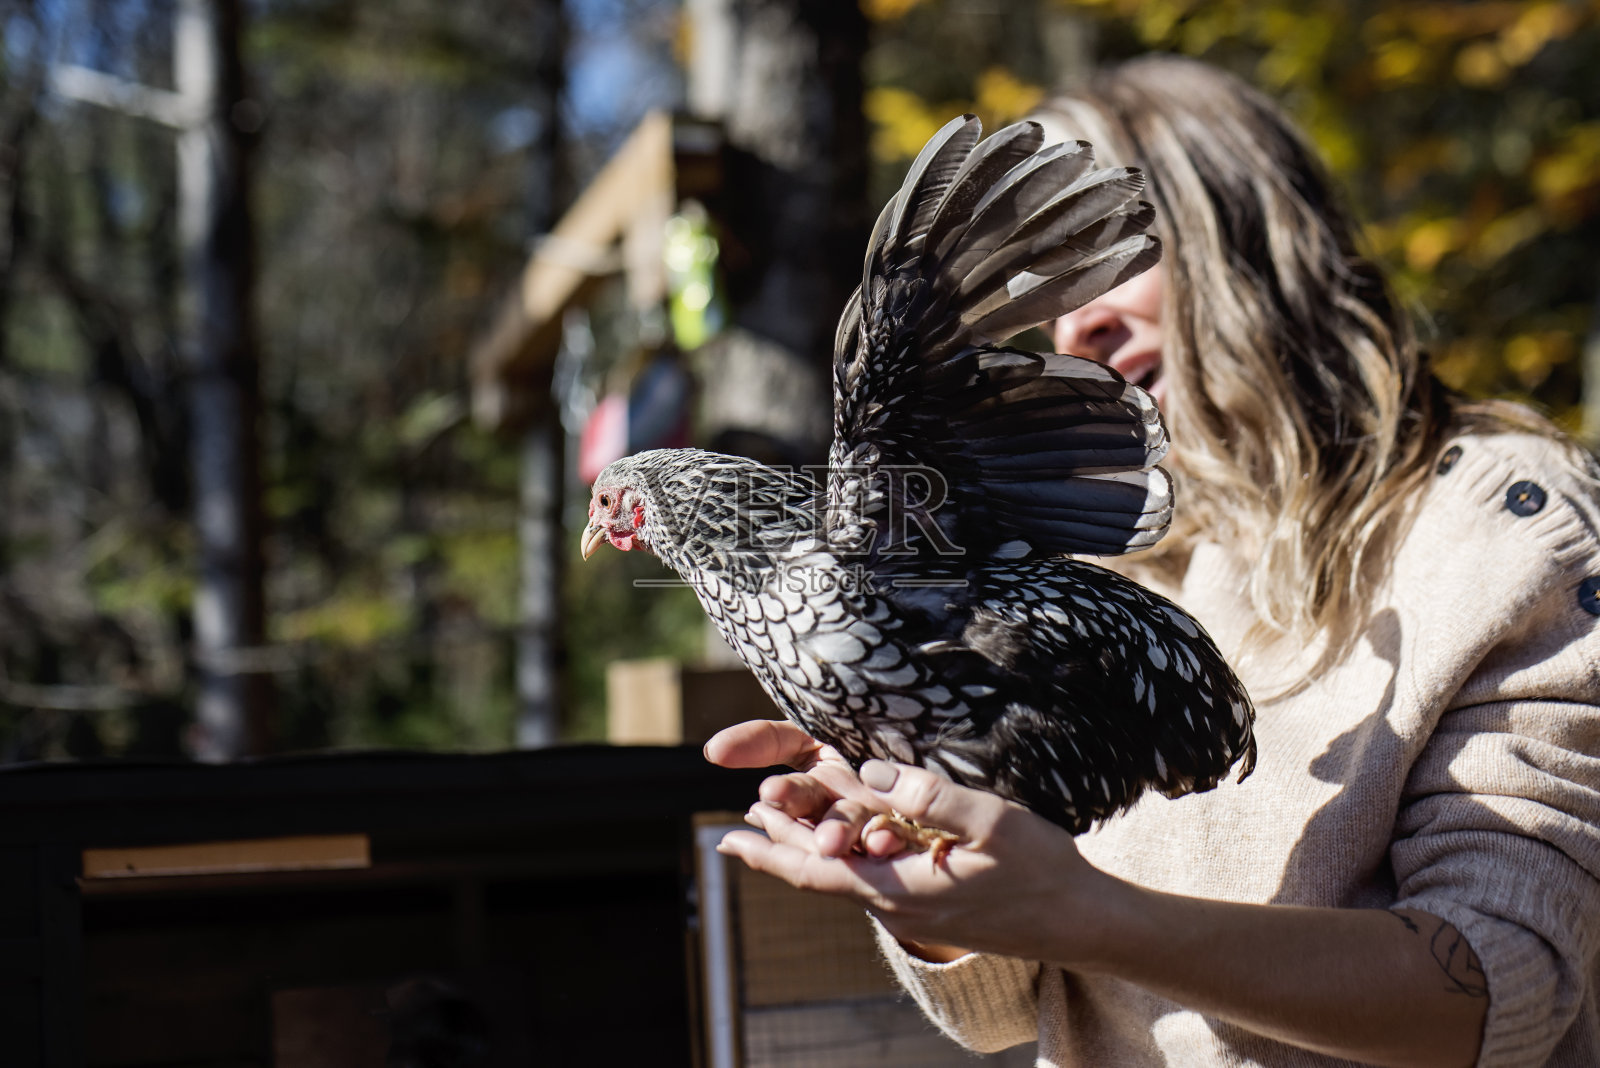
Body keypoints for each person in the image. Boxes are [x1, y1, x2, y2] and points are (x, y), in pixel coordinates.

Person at [707, 55, 1600, 1068]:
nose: (1074, 324)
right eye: (1049, 296)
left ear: (1246, 242)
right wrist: (918, 849)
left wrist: (1084, 913)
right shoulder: (1091, 559)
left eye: (1108, 261)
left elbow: (1493, 993)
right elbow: (1008, 1006)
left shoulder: (1500, 534)